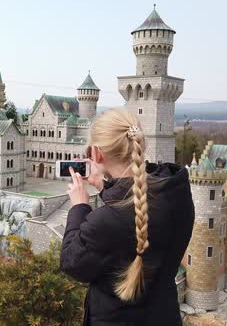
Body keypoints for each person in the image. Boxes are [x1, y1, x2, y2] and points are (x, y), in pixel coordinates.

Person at [60, 108, 195, 325]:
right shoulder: (176, 192)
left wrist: (79, 207)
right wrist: (106, 189)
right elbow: (134, 207)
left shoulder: (105, 222)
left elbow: (72, 262)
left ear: (96, 154)